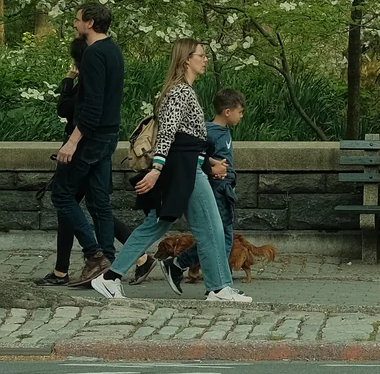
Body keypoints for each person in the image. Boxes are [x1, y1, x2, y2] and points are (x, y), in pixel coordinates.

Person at [89, 40, 249, 305]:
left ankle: (110, 277)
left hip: (188, 168)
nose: (205, 59)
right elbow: (167, 135)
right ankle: (218, 288)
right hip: (183, 172)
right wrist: (157, 169)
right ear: (187, 59)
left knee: (161, 224)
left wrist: (207, 164)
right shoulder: (179, 93)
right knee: (210, 228)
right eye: (201, 55)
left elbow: (188, 139)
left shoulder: (182, 91)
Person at [39, 39, 130, 288]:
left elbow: (82, 107)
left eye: (78, 21)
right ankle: (108, 267)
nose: (75, 24)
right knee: (99, 203)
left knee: (62, 196)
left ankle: (94, 255)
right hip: (107, 136)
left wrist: (72, 142)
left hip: (88, 140)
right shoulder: (114, 51)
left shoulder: (93, 56)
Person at [167, 88, 243, 295]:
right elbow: (196, 158)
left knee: (222, 236)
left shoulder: (223, 130)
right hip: (215, 189)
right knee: (220, 237)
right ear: (227, 112)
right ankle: (217, 283)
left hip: (225, 189)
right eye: (240, 111)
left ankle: (214, 280)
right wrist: (213, 170)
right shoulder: (209, 132)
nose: (241, 115)